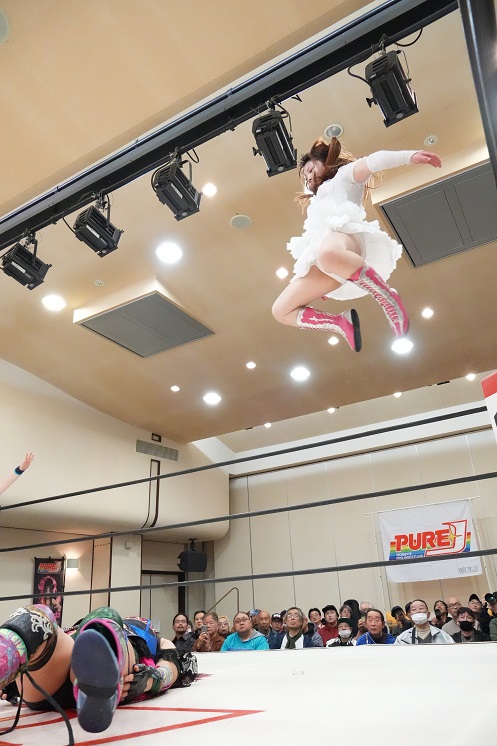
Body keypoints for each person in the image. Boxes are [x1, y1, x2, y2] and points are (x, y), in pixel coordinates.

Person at [272, 137, 441, 351]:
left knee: (328, 253)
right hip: (324, 260)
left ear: (326, 161)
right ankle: (340, 323)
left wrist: (410, 156)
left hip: (346, 239)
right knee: (281, 311)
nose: (309, 176)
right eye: (306, 176)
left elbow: (375, 160)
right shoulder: (317, 200)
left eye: (311, 168)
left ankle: (387, 297)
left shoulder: (345, 176)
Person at [0, 604, 197, 738]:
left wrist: (148, 681)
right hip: (63, 666)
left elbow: (172, 667)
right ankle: (93, 673)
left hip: (116, 665)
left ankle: (98, 671)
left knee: (105, 618)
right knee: (39, 616)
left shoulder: (161, 641)